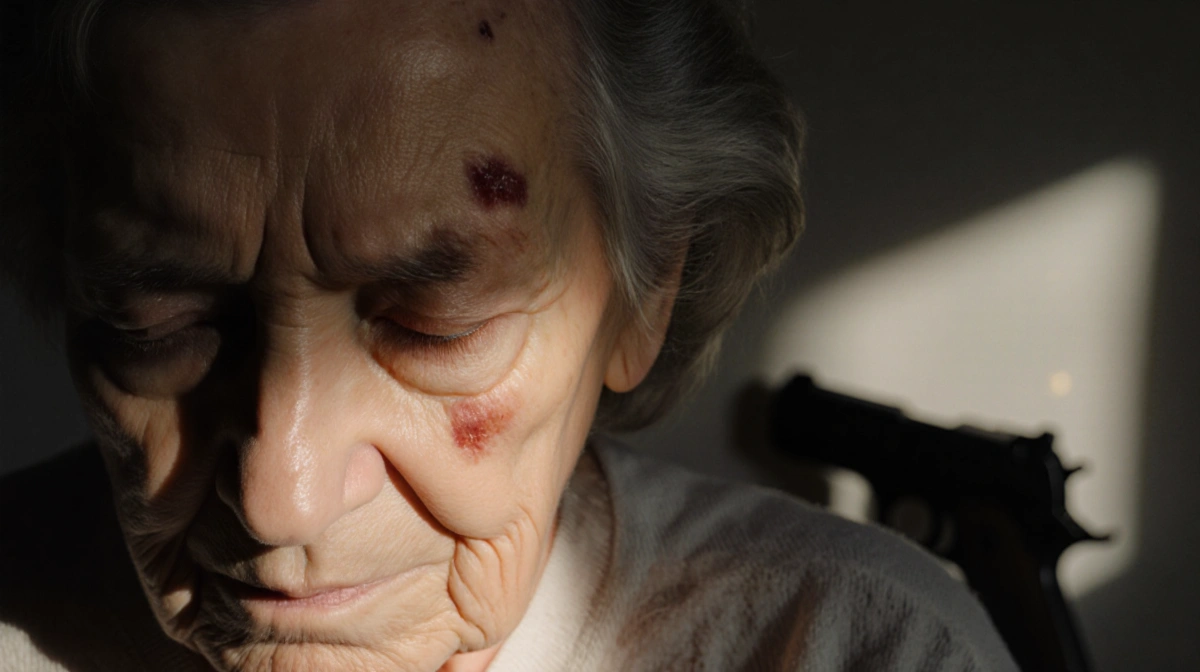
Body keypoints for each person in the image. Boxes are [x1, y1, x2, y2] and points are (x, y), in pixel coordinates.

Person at [0, 0, 1020, 670]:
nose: (280, 497)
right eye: (157, 319)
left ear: (646, 291)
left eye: (433, 322)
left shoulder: (853, 650)